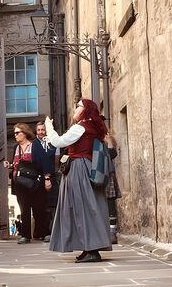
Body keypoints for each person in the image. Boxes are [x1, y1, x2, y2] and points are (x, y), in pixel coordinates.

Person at [45, 99, 112, 263]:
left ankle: (91, 250)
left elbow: (58, 142)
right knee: (89, 207)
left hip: (79, 169)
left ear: (86, 110)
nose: (75, 109)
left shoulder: (80, 127)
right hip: (87, 168)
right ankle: (88, 248)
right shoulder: (91, 128)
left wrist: (49, 126)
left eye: (79, 106)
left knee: (80, 208)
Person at [3, 123, 52, 244]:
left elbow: (44, 161)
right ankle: (25, 235)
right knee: (24, 209)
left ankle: (44, 232)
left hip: (34, 182)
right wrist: (10, 165)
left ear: (24, 133)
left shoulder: (35, 145)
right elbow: (18, 165)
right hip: (19, 183)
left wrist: (47, 178)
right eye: (14, 133)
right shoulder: (16, 148)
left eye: (17, 133)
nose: (15, 135)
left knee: (38, 208)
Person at [35, 121, 60, 242]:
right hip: (37, 178)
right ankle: (42, 231)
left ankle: (51, 231)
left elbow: (55, 161)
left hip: (50, 176)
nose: (40, 132)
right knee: (40, 206)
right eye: (38, 130)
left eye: (42, 130)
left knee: (52, 205)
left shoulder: (53, 142)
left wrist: (49, 176)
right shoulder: (34, 144)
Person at [103, 132, 121, 244]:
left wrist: (109, 141)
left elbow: (112, 154)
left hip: (108, 175)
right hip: (98, 175)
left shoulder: (108, 138)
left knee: (110, 205)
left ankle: (112, 233)